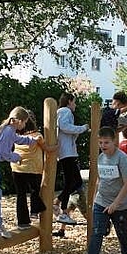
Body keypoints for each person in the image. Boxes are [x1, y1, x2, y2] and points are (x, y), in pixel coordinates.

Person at [74, 127, 127, 254]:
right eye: (100, 142)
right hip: (102, 201)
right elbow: (99, 179)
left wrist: (116, 203)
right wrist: (94, 198)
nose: (103, 145)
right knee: (96, 233)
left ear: (114, 141)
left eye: (106, 142)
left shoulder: (122, 159)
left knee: (122, 234)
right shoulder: (101, 158)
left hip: (120, 204)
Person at [0, 107, 43, 238]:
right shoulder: (8, 131)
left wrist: (32, 140)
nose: (25, 125)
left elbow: (19, 139)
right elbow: (5, 153)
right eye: (24, 122)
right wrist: (17, 157)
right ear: (18, 121)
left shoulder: (10, 131)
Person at [56, 93, 89, 225]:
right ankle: (59, 204)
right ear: (69, 101)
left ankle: (62, 209)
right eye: (74, 102)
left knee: (71, 181)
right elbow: (64, 127)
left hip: (66, 151)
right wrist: (82, 128)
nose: (75, 105)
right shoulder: (65, 111)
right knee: (75, 182)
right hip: (67, 152)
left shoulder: (61, 112)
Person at [10, 112, 45, 230]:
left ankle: (23, 222)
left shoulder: (16, 136)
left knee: (21, 194)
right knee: (35, 190)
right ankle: (35, 211)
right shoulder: (37, 135)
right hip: (32, 168)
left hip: (17, 167)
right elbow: (46, 147)